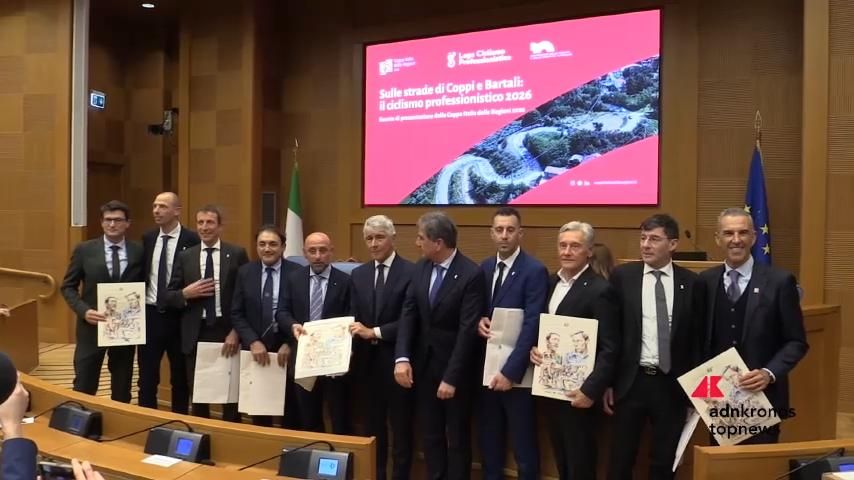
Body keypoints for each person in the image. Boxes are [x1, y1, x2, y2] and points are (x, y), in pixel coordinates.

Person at [604, 214, 702, 480]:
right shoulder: (623, 277)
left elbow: (696, 339)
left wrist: (695, 388)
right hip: (631, 383)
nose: (646, 245)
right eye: (643, 238)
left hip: (671, 385)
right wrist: (608, 383)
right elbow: (611, 333)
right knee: (621, 458)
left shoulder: (691, 283)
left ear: (673, 244)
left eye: (654, 239)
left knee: (664, 461)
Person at [699, 207, 808, 444]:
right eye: (728, 233)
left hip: (763, 398)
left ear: (754, 237)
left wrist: (769, 373)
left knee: (758, 464)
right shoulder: (705, 282)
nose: (736, 239)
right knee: (720, 464)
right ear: (718, 239)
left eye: (743, 232)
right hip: (718, 400)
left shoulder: (780, 282)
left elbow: (796, 341)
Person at [395, 211, 486, 480]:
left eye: (420, 238)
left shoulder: (471, 274)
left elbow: (467, 331)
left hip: (454, 372)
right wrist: (402, 357)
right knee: (431, 435)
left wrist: (451, 378)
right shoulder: (421, 267)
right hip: (424, 368)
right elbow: (408, 313)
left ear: (438, 243)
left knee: (456, 438)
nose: (416, 243)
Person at [530, 221, 619, 480]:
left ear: (589, 251)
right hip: (550, 391)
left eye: (575, 246)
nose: (567, 251)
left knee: (581, 463)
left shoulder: (601, 290)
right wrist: (534, 349)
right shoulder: (549, 282)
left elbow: (610, 347)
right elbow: (542, 329)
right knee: (561, 459)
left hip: (581, 394)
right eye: (563, 245)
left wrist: (590, 390)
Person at [476, 207, 548, 480]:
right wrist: (478, 321)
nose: (504, 235)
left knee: (523, 447)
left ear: (520, 233)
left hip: (517, 376)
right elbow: (476, 309)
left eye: (510, 230)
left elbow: (533, 323)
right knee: (489, 444)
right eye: (499, 230)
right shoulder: (484, 267)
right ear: (491, 233)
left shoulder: (534, 270)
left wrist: (510, 372)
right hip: (486, 372)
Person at [164, 205, 248, 421]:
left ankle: (231, 433)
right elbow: (168, 296)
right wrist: (185, 293)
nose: (204, 227)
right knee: (199, 393)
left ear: (220, 226)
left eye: (210, 222)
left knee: (230, 394)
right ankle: (202, 434)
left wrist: (236, 332)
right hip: (195, 332)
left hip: (226, 330)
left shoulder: (236, 254)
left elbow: (246, 296)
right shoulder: (186, 256)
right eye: (200, 222)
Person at [349, 215, 415, 480]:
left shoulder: (412, 272)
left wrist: (374, 332)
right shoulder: (358, 274)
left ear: (393, 238)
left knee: (401, 430)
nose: (374, 244)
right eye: (369, 238)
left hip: (398, 362)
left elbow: (412, 321)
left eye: (379, 237)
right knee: (372, 430)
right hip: (366, 365)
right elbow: (353, 317)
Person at [61, 200, 144, 402]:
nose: (112, 224)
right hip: (91, 327)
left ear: (128, 223)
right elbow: (68, 287)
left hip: (124, 329)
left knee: (122, 386)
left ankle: (119, 421)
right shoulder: (84, 250)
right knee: (84, 383)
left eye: (118, 220)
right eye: (108, 220)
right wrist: (84, 311)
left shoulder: (139, 251)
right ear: (101, 222)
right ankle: (81, 419)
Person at [279, 232, 353, 434]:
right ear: (304, 253)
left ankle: (340, 451)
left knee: (339, 416)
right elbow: (282, 312)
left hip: (334, 360)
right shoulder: (294, 279)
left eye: (323, 250)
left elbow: (352, 314)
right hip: (305, 358)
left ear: (331, 252)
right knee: (308, 415)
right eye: (312, 251)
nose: (318, 256)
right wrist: (292, 325)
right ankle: (313, 451)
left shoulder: (346, 281)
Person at [232, 225, 301, 427]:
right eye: (262, 244)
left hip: (287, 348)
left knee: (291, 412)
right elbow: (236, 313)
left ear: (283, 247)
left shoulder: (297, 273)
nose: (267, 249)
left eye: (273, 244)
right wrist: (253, 341)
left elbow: (302, 313)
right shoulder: (245, 272)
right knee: (260, 412)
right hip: (256, 348)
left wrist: (290, 343)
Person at [137, 192, 199, 414]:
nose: (156, 210)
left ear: (177, 211)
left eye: (162, 206)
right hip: (150, 314)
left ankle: (179, 420)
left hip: (180, 316)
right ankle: (146, 420)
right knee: (147, 376)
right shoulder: (148, 238)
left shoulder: (192, 240)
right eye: (154, 206)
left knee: (180, 377)